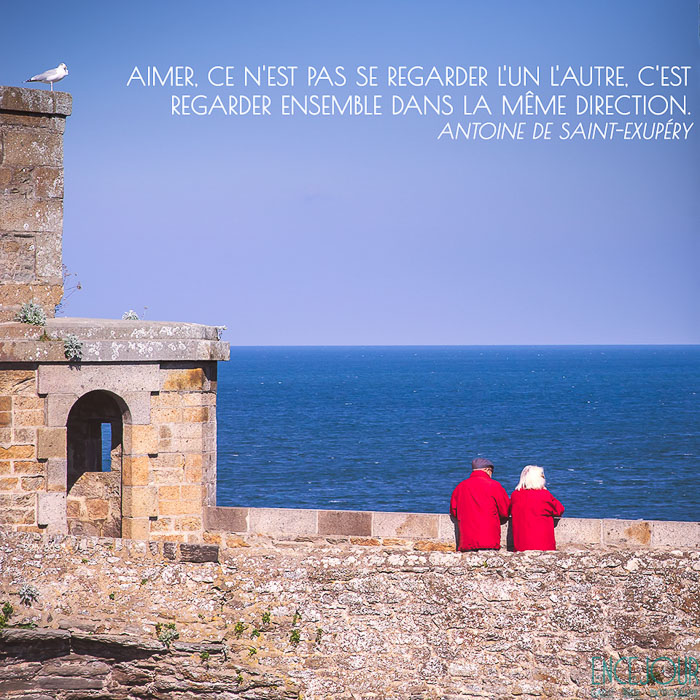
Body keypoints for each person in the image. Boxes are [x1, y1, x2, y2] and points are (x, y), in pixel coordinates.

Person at [449, 457, 510, 551]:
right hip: (489, 539)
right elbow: (505, 511)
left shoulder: (460, 487)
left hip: (467, 541)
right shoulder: (494, 485)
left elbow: (454, 511)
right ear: (487, 470)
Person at [510, 465, 565, 551]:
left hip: (521, 545)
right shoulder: (544, 495)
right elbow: (559, 510)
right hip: (543, 545)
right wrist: (545, 491)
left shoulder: (515, 495)